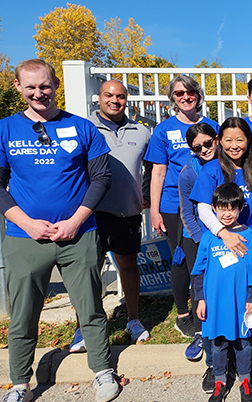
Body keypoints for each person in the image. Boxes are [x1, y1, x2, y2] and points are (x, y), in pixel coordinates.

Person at [0, 59, 118, 402]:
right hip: (25, 237)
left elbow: (101, 179)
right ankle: (20, 383)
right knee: (23, 315)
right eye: (31, 86)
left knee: (91, 307)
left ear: (56, 86)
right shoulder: (6, 129)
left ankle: (102, 370)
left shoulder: (82, 127)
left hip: (78, 234)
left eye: (45, 85)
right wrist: (25, 221)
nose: (40, 92)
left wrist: (75, 221)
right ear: (20, 88)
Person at [144, 75, 220, 338]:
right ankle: (183, 314)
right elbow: (158, 172)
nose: (185, 97)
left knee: (204, 258)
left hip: (209, 203)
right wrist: (154, 210)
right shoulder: (164, 130)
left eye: (190, 92)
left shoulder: (212, 126)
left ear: (198, 95)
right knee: (181, 259)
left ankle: (206, 306)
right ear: (172, 98)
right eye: (179, 94)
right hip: (173, 204)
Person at [86, 80, 152, 344]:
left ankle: (133, 320)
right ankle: (86, 326)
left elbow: (153, 166)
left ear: (127, 99)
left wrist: (146, 195)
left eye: (121, 96)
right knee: (90, 270)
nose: (115, 100)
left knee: (128, 266)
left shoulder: (141, 131)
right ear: (99, 98)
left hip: (128, 212)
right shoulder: (85, 128)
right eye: (109, 95)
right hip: (93, 212)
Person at [193, 183, 252, 402]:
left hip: (240, 303)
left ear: (241, 208)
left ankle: (244, 379)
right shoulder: (209, 237)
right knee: (218, 343)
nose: (227, 213)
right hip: (214, 303)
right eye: (222, 208)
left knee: (242, 342)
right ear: (214, 208)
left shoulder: (248, 236)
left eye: (232, 208)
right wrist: (200, 299)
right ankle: (219, 381)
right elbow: (198, 271)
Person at [178, 123, 219, 391]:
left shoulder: (230, 163)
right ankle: (201, 334)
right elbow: (187, 212)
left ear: (216, 140)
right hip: (203, 238)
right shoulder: (188, 173)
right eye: (197, 147)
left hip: (232, 236)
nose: (204, 149)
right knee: (201, 288)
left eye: (208, 143)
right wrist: (199, 239)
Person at [190, 117, 252, 255]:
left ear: (248, 140)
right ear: (220, 141)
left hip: (250, 242)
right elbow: (203, 209)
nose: (234, 146)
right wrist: (224, 234)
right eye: (228, 140)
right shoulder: (211, 170)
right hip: (221, 244)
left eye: (239, 140)